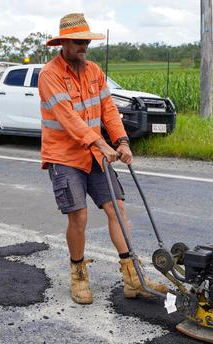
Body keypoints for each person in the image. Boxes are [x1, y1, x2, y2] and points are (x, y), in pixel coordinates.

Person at [38, 13, 168, 304]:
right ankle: (78, 275)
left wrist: (121, 141)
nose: (83, 46)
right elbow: (69, 119)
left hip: (96, 154)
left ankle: (133, 277)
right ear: (63, 43)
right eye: (77, 41)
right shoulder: (50, 75)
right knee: (79, 216)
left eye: (86, 41)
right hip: (64, 156)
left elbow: (109, 109)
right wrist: (99, 141)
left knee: (117, 209)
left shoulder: (94, 71)